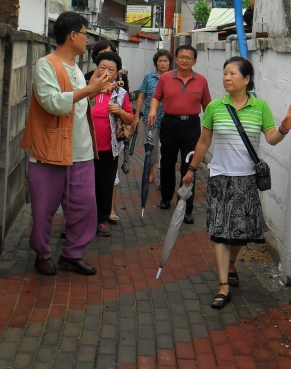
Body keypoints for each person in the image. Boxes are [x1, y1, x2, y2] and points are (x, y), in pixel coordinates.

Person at [183, 56, 291, 308]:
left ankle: (232, 264)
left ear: (246, 79)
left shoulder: (260, 107)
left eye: (232, 73)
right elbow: (204, 141)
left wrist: (283, 129)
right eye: (224, 73)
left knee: (240, 232)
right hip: (220, 177)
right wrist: (192, 169)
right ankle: (223, 285)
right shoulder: (215, 107)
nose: (226, 77)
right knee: (219, 232)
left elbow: (271, 139)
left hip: (246, 180)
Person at [21, 12, 112, 277]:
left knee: (84, 205)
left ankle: (72, 254)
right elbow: (53, 102)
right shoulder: (46, 65)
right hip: (49, 151)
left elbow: (78, 106)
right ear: (73, 35)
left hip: (81, 151)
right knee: (43, 209)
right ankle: (43, 253)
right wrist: (90, 90)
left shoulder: (75, 68)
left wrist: (95, 92)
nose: (87, 39)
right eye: (85, 33)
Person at [148, 44, 211, 224]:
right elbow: (156, 97)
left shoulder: (201, 81)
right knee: (167, 162)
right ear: (175, 59)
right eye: (181, 57)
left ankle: (186, 206)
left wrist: (212, 125)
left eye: (188, 58)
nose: (184, 60)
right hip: (169, 123)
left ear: (194, 61)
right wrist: (153, 110)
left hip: (191, 126)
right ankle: (166, 197)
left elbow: (208, 106)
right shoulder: (166, 78)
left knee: (189, 165)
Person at [90, 51, 134, 236]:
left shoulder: (121, 93)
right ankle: (80, 222)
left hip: (109, 149)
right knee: (83, 187)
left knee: (105, 185)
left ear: (117, 73)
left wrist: (119, 111)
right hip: (85, 148)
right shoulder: (87, 89)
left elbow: (130, 119)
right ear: (96, 69)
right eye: (102, 68)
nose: (107, 72)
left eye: (111, 69)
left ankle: (101, 220)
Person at [133, 49, 173, 184]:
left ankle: (163, 176)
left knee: (166, 149)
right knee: (151, 146)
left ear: (169, 63)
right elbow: (141, 95)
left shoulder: (174, 77)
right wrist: (137, 114)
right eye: (160, 61)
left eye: (165, 61)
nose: (163, 63)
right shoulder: (149, 77)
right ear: (156, 63)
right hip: (151, 119)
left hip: (169, 119)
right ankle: (150, 171)